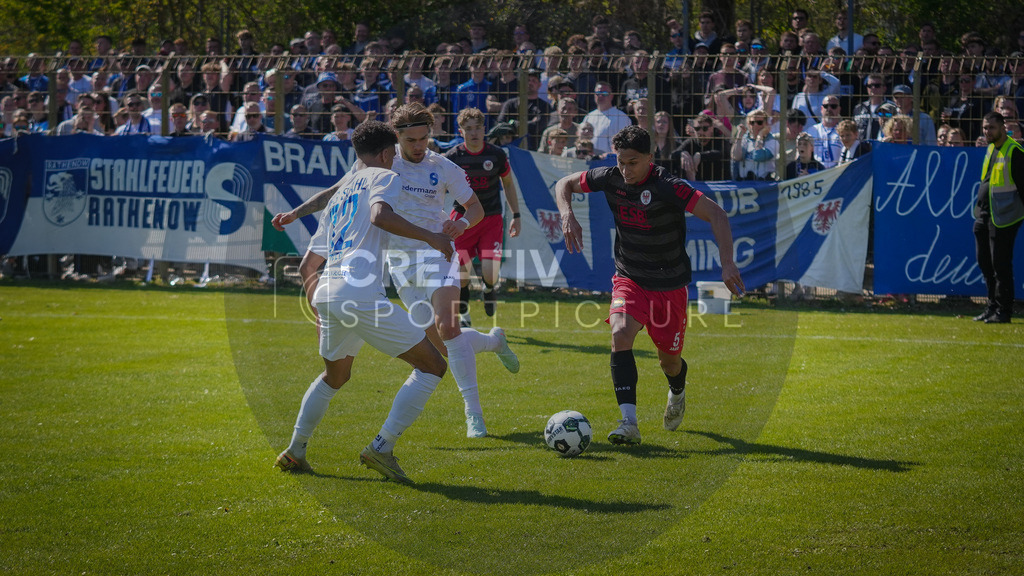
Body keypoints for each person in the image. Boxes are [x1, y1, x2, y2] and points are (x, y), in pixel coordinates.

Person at [272, 103, 520, 439]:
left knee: (448, 326)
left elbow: (475, 207)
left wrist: (459, 224)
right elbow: (334, 193)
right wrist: (296, 214)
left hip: (438, 254)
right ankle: (494, 341)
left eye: (423, 138)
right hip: (401, 267)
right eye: (411, 140)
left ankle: (473, 414)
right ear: (396, 141)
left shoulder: (442, 166)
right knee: (443, 345)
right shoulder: (381, 165)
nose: (419, 146)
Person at [275, 120, 453, 484]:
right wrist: (432, 237)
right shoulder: (384, 177)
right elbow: (380, 215)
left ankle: (295, 451)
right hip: (359, 295)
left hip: (327, 293)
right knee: (433, 366)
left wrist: (320, 310)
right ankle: (381, 447)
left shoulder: (340, 196)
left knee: (334, 376)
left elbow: (309, 265)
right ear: (388, 153)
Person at [554, 125, 745, 445]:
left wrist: (727, 263)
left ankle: (678, 390)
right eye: (620, 161)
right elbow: (565, 183)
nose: (625, 170)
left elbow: (717, 214)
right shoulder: (610, 175)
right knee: (619, 333)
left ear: (649, 158)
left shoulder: (668, 185)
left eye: (632, 162)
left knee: (669, 362)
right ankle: (629, 422)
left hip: (670, 286)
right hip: (629, 277)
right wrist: (566, 213)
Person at [446, 107, 523, 324]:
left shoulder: (496, 155)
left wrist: (516, 215)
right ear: (460, 131)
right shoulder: (452, 158)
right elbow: (438, 189)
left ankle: (489, 289)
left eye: (477, 128)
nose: (474, 133)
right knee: (460, 275)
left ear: (484, 129)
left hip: (491, 219)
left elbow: (508, 183)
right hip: (462, 220)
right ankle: (464, 315)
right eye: (468, 129)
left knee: (489, 272)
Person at [973, 112, 1024, 324]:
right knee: (984, 262)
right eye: (985, 128)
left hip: (1005, 216)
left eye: (991, 128)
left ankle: (1004, 311)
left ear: (1003, 128)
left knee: (1000, 264)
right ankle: (991, 306)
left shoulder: (1015, 151)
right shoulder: (991, 148)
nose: (987, 132)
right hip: (984, 213)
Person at [582, 82, 631, 154]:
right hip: (589, 160)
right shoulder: (589, 116)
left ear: (611, 96)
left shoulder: (621, 117)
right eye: (598, 93)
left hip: (610, 161)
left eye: (605, 93)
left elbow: (625, 144)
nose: (601, 95)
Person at [731, 109, 778, 180]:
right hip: (745, 181)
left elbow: (758, 156)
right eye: (752, 123)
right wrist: (739, 136)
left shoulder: (772, 142)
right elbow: (735, 157)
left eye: (759, 122)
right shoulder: (745, 140)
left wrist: (760, 136)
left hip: (764, 182)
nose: (755, 125)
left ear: (766, 124)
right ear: (748, 124)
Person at [805, 94, 844, 168]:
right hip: (815, 173)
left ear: (839, 109)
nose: (829, 109)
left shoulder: (844, 132)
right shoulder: (810, 131)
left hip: (837, 173)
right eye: (826, 106)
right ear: (821, 109)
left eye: (833, 106)